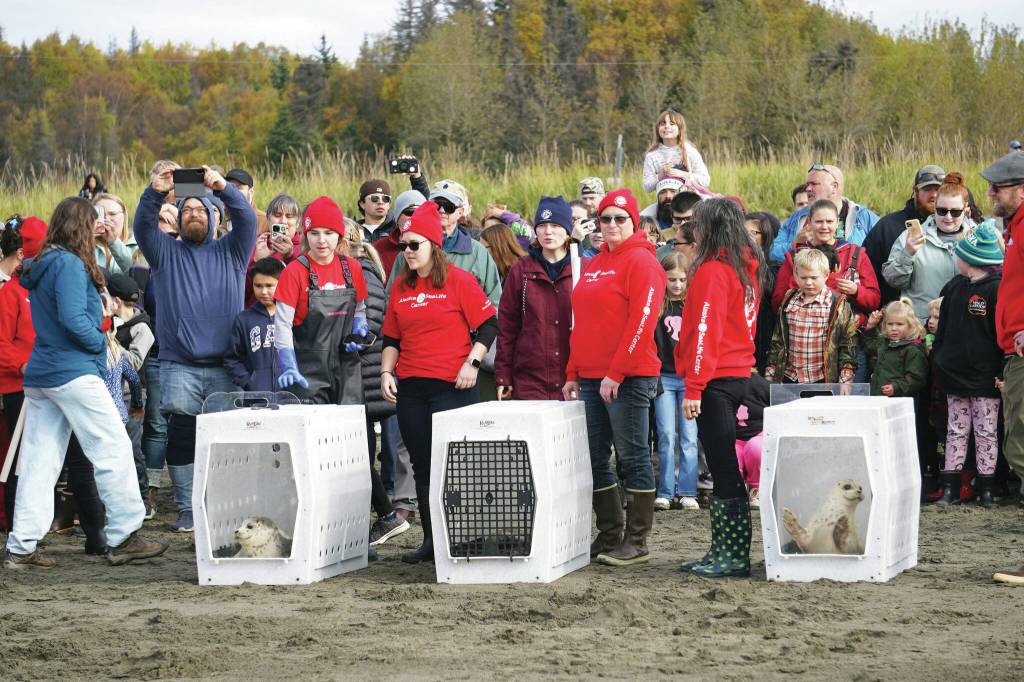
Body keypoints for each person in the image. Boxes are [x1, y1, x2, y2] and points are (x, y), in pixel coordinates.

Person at [4, 197, 167, 569]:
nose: (100, 224)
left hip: (43, 375)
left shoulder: (42, 263)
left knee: (40, 462)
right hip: (73, 371)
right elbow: (76, 322)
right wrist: (103, 333)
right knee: (112, 447)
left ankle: (22, 545)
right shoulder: (70, 265)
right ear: (80, 224)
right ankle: (125, 535)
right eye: (94, 220)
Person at [133, 164, 257, 532]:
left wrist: (222, 188)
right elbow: (141, 226)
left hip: (226, 366)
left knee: (228, 440)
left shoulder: (233, 251)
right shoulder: (164, 253)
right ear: (178, 218)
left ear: (216, 219)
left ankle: (226, 503)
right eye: (187, 210)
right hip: (179, 365)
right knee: (183, 435)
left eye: (202, 210)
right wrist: (155, 192)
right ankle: (187, 507)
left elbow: (248, 221)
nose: (194, 214)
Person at [380, 202, 498, 564]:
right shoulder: (401, 286)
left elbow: (489, 325)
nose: (408, 252)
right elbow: (391, 338)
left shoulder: (459, 281)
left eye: (415, 245)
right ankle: (432, 541)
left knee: (454, 465)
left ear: (434, 245)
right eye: (403, 245)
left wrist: (472, 363)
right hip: (413, 387)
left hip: (453, 385)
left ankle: (462, 538)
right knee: (422, 465)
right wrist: (386, 372)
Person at [562, 188, 666, 568]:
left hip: (629, 376)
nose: (611, 225)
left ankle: (636, 540)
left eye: (620, 219)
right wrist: (573, 370)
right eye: (605, 218)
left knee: (633, 455)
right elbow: (582, 323)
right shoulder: (594, 263)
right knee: (594, 457)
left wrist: (616, 372)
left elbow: (642, 322)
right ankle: (608, 534)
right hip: (589, 377)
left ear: (633, 222)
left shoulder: (642, 262)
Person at [675, 198, 764, 578]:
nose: (691, 231)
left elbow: (704, 333)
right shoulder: (746, 267)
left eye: (697, 224)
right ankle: (725, 550)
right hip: (736, 371)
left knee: (723, 464)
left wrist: (693, 387)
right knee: (726, 464)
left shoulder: (714, 270)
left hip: (716, 377)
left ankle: (732, 555)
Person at [932, 225, 1005, 508]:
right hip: (953, 374)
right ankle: (950, 485)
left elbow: (1000, 333)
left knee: (986, 431)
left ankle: (987, 487)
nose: (956, 259)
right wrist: (940, 358)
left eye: (959, 255)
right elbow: (943, 329)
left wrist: (999, 371)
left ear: (971, 258)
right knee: (955, 430)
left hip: (985, 377)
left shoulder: (996, 288)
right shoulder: (954, 286)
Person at [273, 196, 369, 405]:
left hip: (347, 371)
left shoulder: (352, 268)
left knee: (350, 433)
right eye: (314, 233)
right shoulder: (295, 271)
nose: (321, 240)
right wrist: (288, 364)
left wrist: (359, 327)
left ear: (339, 235)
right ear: (306, 235)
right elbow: (281, 324)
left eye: (328, 233)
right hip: (308, 373)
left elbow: (360, 308)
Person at [495, 196, 579, 402]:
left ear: (568, 231)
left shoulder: (582, 268)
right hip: (530, 379)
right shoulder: (521, 270)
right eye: (542, 225)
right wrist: (503, 375)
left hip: (574, 378)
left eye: (555, 225)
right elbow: (507, 327)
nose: (548, 232)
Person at [979, 152, 1024, 509]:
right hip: (1014, 351)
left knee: (1020, 446)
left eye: (999, 186)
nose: (992, 192)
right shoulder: (1015, 228)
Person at [386, 180, 502, 309]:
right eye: (437, 205)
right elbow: (391, 298)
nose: (441, 210)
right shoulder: (410, 248)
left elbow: (494, 299)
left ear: (461, 211)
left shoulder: (477, 252)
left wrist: (484, 328)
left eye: (449, 207)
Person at [0, 216, 47, 530]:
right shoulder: (11, 291)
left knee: (35, 460)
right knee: (15, 460)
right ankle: (16, 527)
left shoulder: (34, 287)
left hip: (42, 384)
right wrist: (22, 364)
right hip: (17, 385)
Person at [882, 172, 969, 323]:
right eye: (942, 211)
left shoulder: (977, 239)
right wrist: (907, 254)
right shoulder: (910, 237)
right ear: (934, 207)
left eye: (955, 212)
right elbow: (893, 281)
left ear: (966, 208)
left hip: (963, 326)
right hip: (921, 327)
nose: (948, 217)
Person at [765, 249, 859, 385]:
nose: (808, 283)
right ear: (795, 276)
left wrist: (846, 379)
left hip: (822, 379)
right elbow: (778, 339)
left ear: (826, 275)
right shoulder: (789, 299)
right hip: (790, 377)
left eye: (814, 278)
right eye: (803, 278)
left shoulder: (837, 303)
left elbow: (848, 343)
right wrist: (770, 371)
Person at [653, 252, 699, 511]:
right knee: (666, 435)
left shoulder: (692, 305)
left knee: (690, 436)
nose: (677, 285)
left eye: (682, 279)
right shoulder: (658, 306)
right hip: (664, 378)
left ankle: (688, 491)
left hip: (689, 378)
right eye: (672, 279)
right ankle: (666, 491)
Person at [864, 165, 945, 305]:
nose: (934, 195)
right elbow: (866, 273)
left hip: (941, 316)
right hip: (895, 318)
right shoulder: (887, 226)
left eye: (939, 189)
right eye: (927, 189)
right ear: (915, 191)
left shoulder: (954, 227)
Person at [768, 163, 879, 263]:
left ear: (834, 187)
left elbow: (881, 253)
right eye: (807, 184)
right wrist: (795, 244)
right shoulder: (797, 218)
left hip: (847, 283)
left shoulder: (862, 217)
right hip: (806, 283)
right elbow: (773, 253)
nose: (808, 189)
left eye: (814, 184)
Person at [224, 257, 284, 392]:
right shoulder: (244, 319)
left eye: (269, 286)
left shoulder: (293, 316)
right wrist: (249, 382)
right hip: (257, 398)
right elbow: (232, 359)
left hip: (292, 397)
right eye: (258, 286)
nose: (263, 291)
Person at [862, 298, 928, 398]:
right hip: (879, 397)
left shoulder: (913, 349)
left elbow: (916, 378)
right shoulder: (885, 342)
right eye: (890, 324)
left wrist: (896, 387)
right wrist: (871, 326)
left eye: (899, 324)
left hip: (901, 401)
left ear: (910, 325)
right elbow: (870, 347)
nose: (894, 328)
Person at [245, 193, 300, 308]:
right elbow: (242, 293)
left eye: (289, 216)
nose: (283, 221)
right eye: (277, 215)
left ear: (298, 223)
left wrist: (290, 256)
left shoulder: (306, 248)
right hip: (257, 318)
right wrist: (256, 262)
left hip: (291, 319)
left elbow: (305, 290)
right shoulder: (254, 245)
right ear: (268, 219)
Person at [642, 110, 711, 191]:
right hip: (665, 200)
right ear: (658, 129)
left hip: (690, 199)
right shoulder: (652, 156)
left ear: (680, 129)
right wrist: (661, 175)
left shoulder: (690, 151)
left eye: (672, 124)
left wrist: (681, 174)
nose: (667, 126)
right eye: (662, 124)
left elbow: (705, 180)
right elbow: (647, 187)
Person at [735, 374, 770, 509]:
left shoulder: (762, 385)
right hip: (733, 436)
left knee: (755, 447)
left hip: (758, 434)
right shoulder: (723, 384)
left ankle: (756, 489)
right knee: (728, 451)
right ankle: (736, 491)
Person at [91, 193, 135, 275]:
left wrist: (114, 242)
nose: (106, 219)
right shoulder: (85, 243)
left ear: (124, 216)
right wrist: (84, 239)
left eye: (112, 214)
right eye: (100, 215)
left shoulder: (137, 245)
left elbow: (137, 275)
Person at [224, 168, 267, 235]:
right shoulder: (218, 217)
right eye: (230, 187)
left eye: (239, 188)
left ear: (251, 192)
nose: (233, 191)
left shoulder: (264, 221)